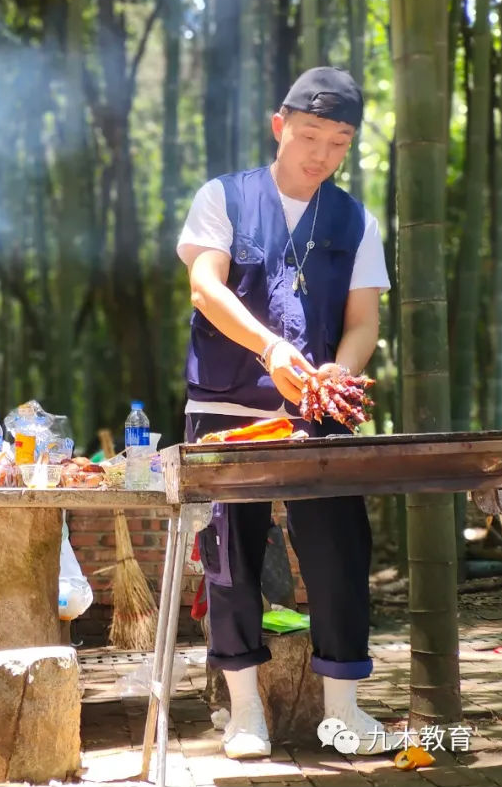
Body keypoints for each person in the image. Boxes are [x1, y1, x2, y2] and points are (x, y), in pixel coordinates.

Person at [177, 67, 395, 759]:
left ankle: (342, 708)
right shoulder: (225, 198)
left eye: (338, 141)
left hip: (317, 416)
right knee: (229, 559)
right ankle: (244, 710)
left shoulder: (355, 219)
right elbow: (204, 286)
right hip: (225, 404)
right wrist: (270, 347)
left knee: (337, 551)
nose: (321, 154)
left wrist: (341, 370)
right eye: (308, 136)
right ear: (279, 126)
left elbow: (364, 321)